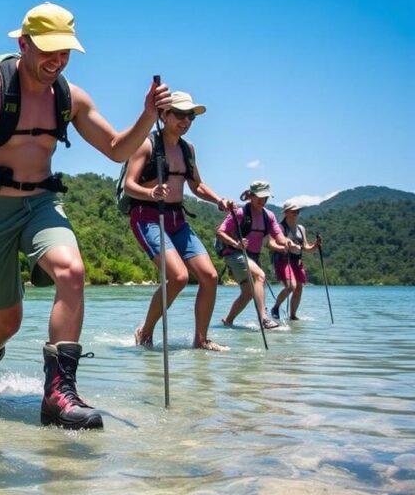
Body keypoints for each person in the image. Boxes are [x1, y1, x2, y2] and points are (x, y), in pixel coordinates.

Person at [0, 1, 172, 430]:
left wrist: (148, 115)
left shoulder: (69, 97)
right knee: (8, 319)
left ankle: (58, 395)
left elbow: (115, 149)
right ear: (23, 43)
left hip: (41, 205)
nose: (57, 61)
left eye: (65, 52)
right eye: (48, 51)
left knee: (72, 272)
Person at [123, 90, 235, 352]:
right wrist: (150, 192)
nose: (186, 121)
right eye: (180, 115)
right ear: (164, 115)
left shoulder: (188, 149)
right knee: (179, 277)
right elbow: (129, 185)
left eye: (190, 116)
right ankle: (145, 332)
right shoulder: (147, 144)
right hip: (147, 217)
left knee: (209, 276)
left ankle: (201, 339)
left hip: (177, 219)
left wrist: (219, 200)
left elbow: (196, 185)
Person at [215, 180, 293, 330]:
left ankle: (228, 320)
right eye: (259, 197)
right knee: (260, 276)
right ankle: (264, 318)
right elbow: (219, 232)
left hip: (254, 258)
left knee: (248, 293)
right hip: (235, 253)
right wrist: (235, 243)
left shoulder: (268, 216)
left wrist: (287, 243)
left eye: (265, 198)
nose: (262, 201)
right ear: (251, 196)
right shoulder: (239, 213)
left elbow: (279, 236)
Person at [270, 202, 322, 320]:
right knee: (291, 286)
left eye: (297, 211)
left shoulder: (301, 228)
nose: (296, 213)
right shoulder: (280, 227)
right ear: (286, 212)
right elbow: (272, 243)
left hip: (297, 261)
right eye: (293, 211)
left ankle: (293, 316)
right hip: (283, 260)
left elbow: (306, 247)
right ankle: (276, 307)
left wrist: (315, 245)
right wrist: (285, 246)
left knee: (299, 287)